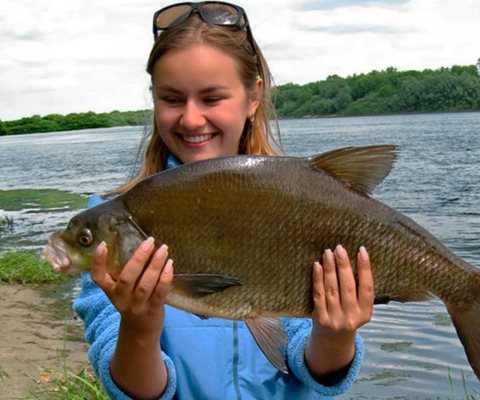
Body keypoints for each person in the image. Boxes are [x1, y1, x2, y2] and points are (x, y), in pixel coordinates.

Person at [73, 2, 374, 399]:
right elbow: (134, 388)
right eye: (172, 99)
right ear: (154, 99)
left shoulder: (293, 205)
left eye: (212, 98)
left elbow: (313, 365)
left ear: (253, 97)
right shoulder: (113, 224)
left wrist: (336, 335)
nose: (191, 119)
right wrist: (139, 327)